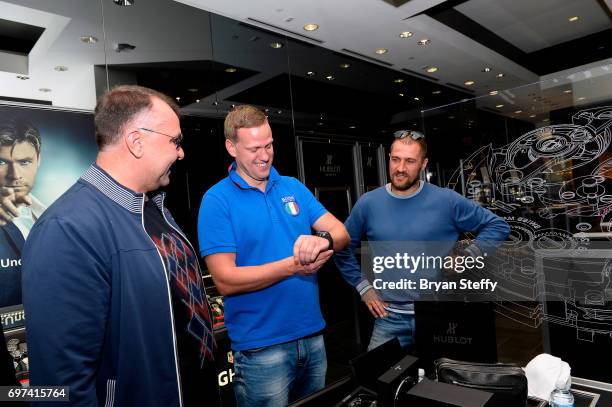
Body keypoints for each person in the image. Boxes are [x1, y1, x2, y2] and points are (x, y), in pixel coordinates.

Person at [22, 85, 218, 406]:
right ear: (136, 141)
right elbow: (61, 384)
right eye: (175, 141)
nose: (181, 153)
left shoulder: (155, 210)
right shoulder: (68, 229)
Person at [198, 104, 350, 407]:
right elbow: (225, 280)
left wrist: (322, 242)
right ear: (231, 147)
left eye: (268, 145)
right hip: (261, 350)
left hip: (312, 337)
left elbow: (342, 233)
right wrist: (293, 266)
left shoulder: (291, 186)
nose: (265, 155)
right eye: (254, 148)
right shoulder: (217, 200)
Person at [334, 130, 510, 350]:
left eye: (410, 161)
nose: (400, 168)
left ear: (423, 164)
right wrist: (364, 288)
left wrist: (468, 256)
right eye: (396, 159)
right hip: (389, 318)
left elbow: (498, 226)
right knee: (379, 380)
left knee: (443, 382)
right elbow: (341, 247)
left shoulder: (446, 200)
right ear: (389, 158)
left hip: (441, 315)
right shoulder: (368, 203)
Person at [0, 118, 45, 307]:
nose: (15, 174)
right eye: (2, 162)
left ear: (38, 160)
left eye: (24, 162)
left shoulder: (55, 218)